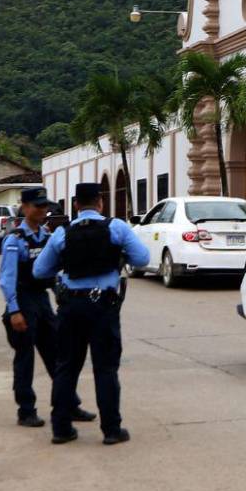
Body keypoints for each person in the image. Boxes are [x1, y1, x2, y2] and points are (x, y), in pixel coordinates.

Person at [33, 182, 149, 445]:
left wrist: (65, 263)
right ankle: (111, 430)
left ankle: (61, 429)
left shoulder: (62, 233)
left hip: (71, 307)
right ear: (100, 202)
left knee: (66, 367)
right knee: (105, 368)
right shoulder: (116, 228)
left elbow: (40, 271)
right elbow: (142, 258)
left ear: (75, 205)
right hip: (103, 306)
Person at [0, 187, 95, 428]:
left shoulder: (48, 236)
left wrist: (63, 297)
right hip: (23, 300)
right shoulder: (15, 239)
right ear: (25, 207)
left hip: (42, 300)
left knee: (58, 357)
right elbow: (6, 278)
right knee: (25, 359)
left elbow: (54, 273)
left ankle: (69, 405)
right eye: (37, 205)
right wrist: (14, 310)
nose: (43, 210)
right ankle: (26, 410)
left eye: (45, 205)